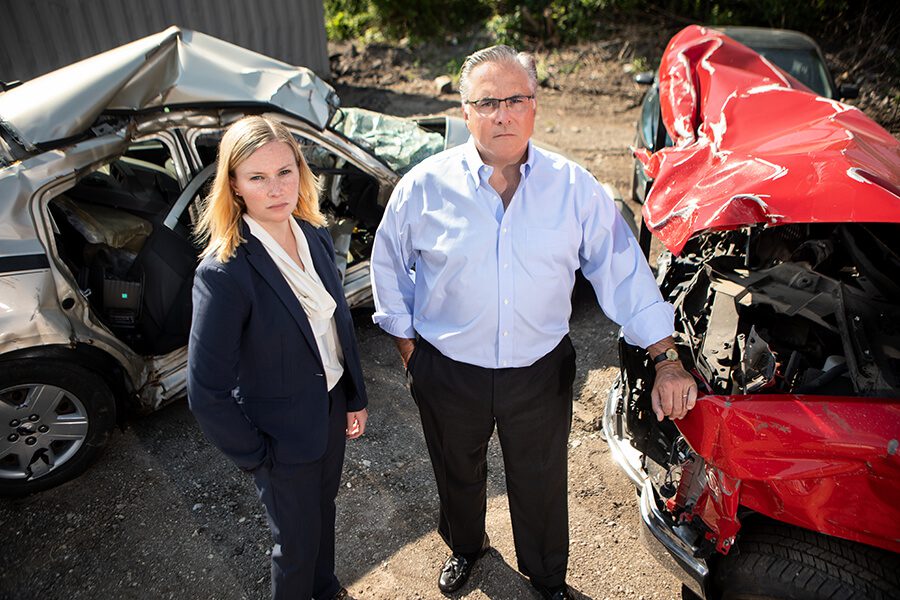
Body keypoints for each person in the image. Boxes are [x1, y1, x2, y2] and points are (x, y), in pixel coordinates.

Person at [370, 45, 696, 599]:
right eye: (488, 101)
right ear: (466, 111)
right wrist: (412, 354)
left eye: (516, 98)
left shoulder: (576, 190)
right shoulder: (421, 189)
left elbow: (624, 273)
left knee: (541, 481)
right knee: (457, 472)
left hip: (540, 372)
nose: (503, 114)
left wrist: (666, 357)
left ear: (535, 106)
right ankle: (466, 548)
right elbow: (388, 268)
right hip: (448, 371)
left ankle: (546, 579)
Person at [187, 115, 368, 600]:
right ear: (235, 185)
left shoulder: (312, 233)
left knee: (322, 517)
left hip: (328, 411)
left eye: (285, 172)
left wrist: (353, 395)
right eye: (258, 177)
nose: (275, 189)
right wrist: (258, 458)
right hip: (280, 438)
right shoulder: (224, 272)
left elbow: (338, 326)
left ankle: (327, 590)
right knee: (295, 545)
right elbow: (207, 392)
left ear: (300, 171)